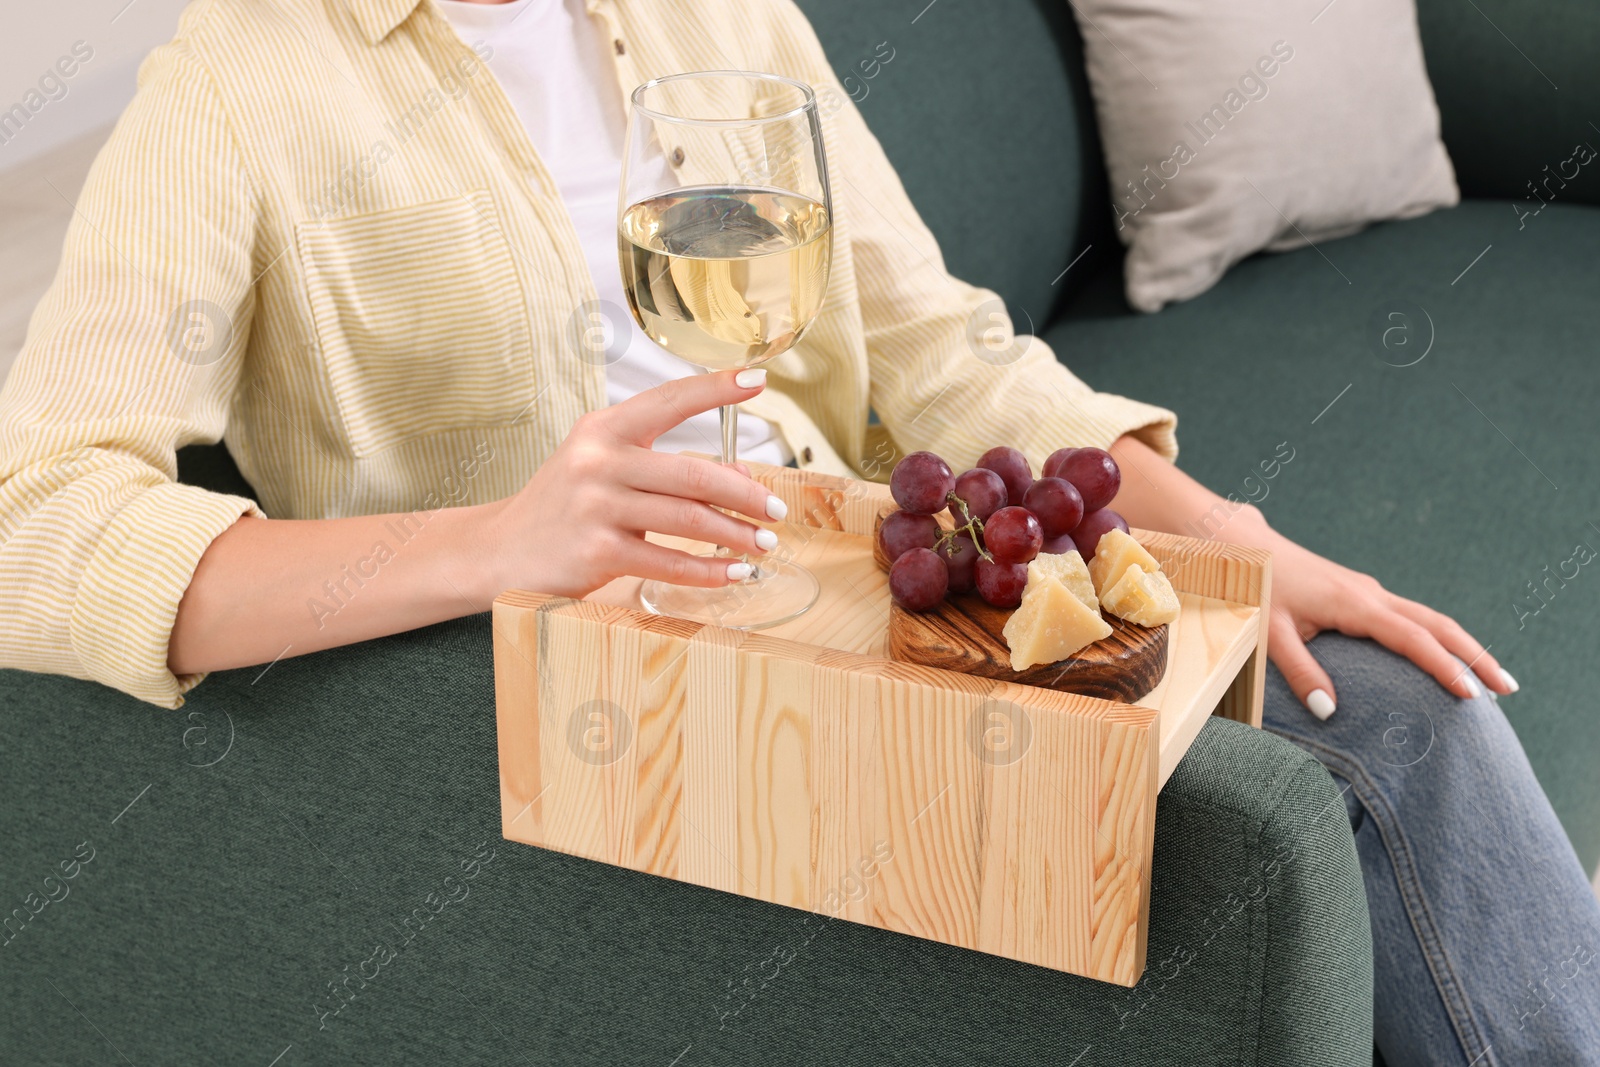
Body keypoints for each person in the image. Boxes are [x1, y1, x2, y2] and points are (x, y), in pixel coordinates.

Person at [0, 0, 1593, 1061]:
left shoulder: (708, 7)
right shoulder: (233, 83)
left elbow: (929, 349)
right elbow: (37, 523)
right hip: (611, 688)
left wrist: (1230, 541)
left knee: (1401, 701)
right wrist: (500, 541)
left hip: (866, 568)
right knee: (1350, 778)